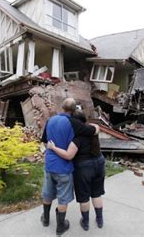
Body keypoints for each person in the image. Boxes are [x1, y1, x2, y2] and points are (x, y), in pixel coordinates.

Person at [40, 98, 99, 235]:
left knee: (48, 193)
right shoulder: (74, 123)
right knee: (63, 198)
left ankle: (45, 219)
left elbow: (44, 141)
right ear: (74, 110)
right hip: (64, 167)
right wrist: (96, 127)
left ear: (62, 107)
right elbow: (91, 131)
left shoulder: (50, 120)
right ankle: (60, 227)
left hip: (49, 164)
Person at [48, 110, 106, 231]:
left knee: (84, 196)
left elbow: (69, 155)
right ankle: (100, 220)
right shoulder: (93, 129)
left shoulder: (77, 137)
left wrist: (53, 148)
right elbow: (97, 127)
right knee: (96, 193)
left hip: (84, 167)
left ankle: (85, 222)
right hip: (99, 162)